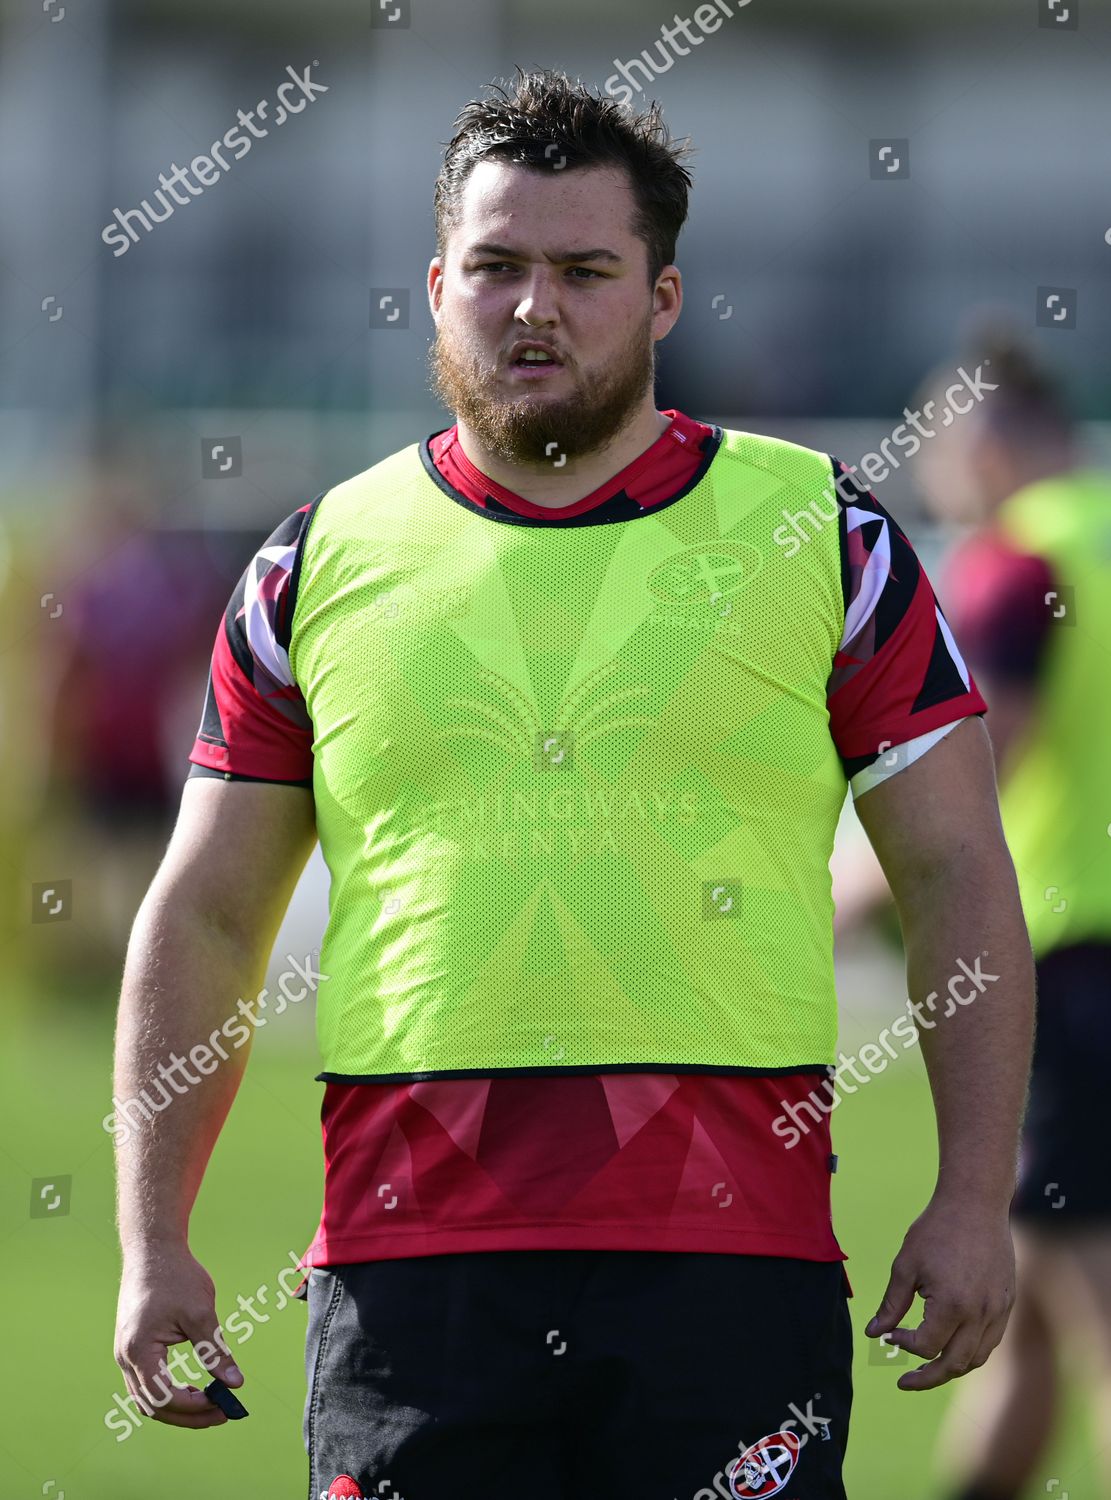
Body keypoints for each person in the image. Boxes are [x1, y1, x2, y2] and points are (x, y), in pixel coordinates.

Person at [111, 69, 1035, 1500]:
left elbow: (954, 872)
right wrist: (151, 1240)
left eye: (582, 270)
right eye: (495, 267)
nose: (533, 306)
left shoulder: (823, 535)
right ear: (434, 286)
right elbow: (208, 912)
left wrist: (971, 1198)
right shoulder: (314, 563)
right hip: (408, 1280)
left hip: (730, 1267)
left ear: (660, 299)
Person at [912, 331, 1111, 1500]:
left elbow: (977, 776)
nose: (934, 465)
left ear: (987, 434)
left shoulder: (1019, 559)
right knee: (1026, 1319)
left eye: (939, 435)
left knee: (1087, 1297)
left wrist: (851, 890)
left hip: (1072, 959)